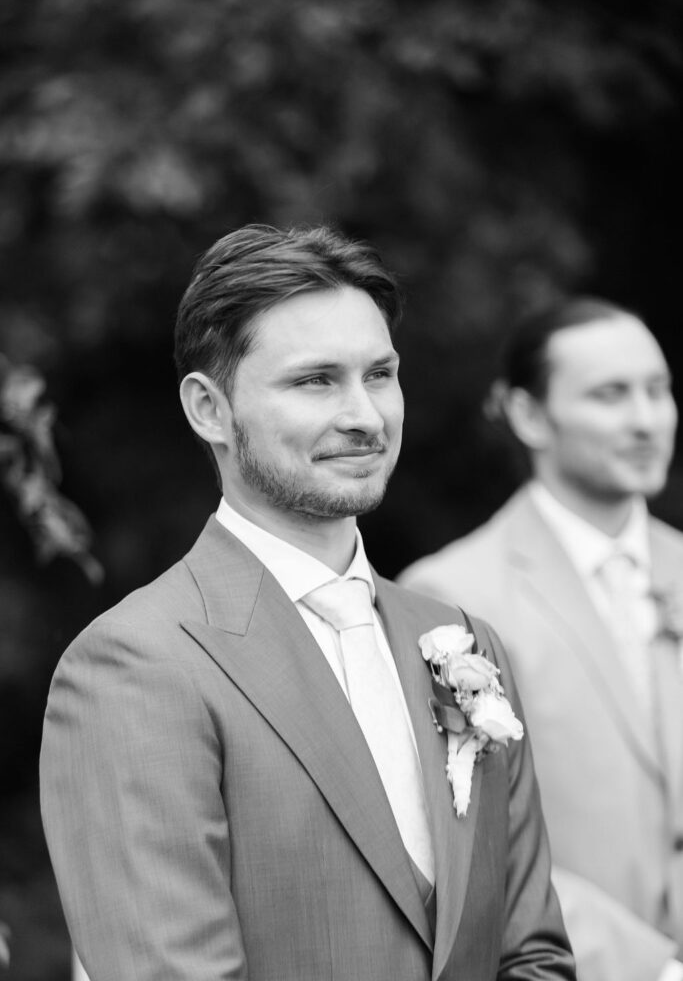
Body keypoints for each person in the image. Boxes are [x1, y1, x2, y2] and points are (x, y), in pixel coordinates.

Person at [40, 224, 575, 981]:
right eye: (315, 380)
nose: (365, 415)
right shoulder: (137, 665)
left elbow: (533, 954)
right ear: (209, 409)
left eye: (380, 375)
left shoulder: (461, 641)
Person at [398, 298, 683, 981]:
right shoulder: (451, 596)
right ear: (528, 416)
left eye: (657, 390)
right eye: (610, 396)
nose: (645, 421)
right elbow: (469, 843)